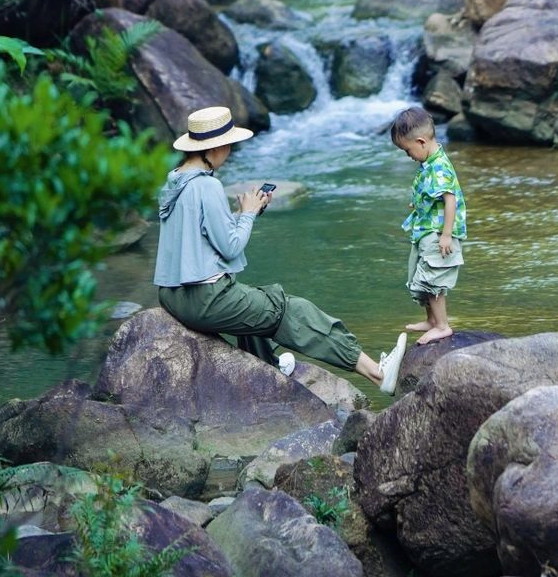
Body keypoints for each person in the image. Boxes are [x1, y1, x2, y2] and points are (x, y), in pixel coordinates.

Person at [155, 105, 406, 393]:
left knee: (259, 299)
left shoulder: (175, 181)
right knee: (289, 308)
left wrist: (246, 213)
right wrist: (248, 213)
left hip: (173, 296)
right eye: (228, 146)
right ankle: (377, 373)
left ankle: (268, 370)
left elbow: (202, 236)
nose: (230, 152)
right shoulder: (208, 187)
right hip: (204, 299)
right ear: (213, 149)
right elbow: (230, 248)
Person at [390, 105, 466, 345]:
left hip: (437, 233)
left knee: (433, 279)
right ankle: (432, 320)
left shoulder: (440, 166)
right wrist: (418, 204)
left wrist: (446, 235)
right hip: (425, 229)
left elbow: (450, 200)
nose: (408, 155)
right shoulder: (428, 163)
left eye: (408, 150)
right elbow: (431, 194)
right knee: (420, 277)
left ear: (421, 142)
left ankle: (442, 326)